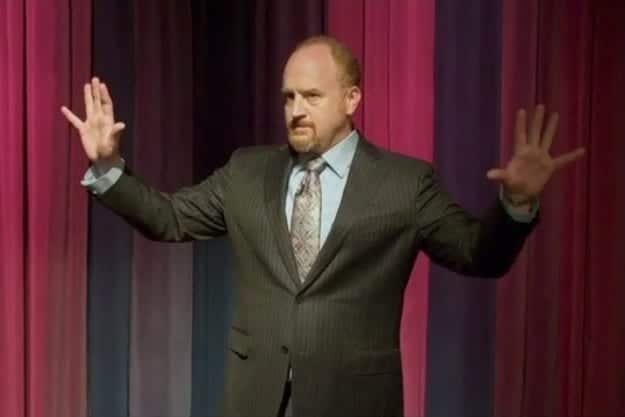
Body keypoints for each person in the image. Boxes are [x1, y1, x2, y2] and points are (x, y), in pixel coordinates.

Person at [61, 35, 585, 417]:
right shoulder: (246, 171)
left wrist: (517, 202)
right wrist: (108, 166)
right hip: (256, 399)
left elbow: (477, 253)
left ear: (352, 99)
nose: (296, 110)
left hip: (354, 401)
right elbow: (169, 218)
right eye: (289, 97)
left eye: (312, 96)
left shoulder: (405, 183)